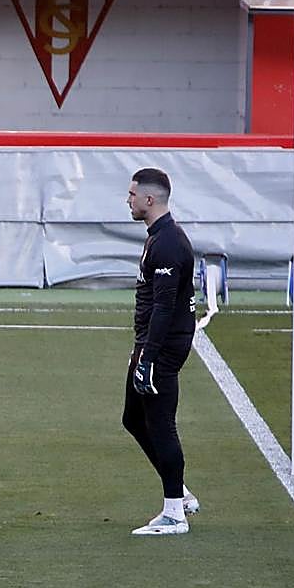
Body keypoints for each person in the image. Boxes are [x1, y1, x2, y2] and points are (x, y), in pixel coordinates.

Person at [123, 167, 200, 536]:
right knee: (133, 418)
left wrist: (149, 357)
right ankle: (179, 492)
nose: (128, 200)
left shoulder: (169, 243)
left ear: (149, 199)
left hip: (164, 348)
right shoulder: (158, 237)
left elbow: (165, 308)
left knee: (161, 424)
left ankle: (174, 513)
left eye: (132, 194)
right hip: (150, 344)